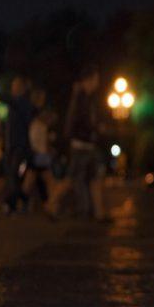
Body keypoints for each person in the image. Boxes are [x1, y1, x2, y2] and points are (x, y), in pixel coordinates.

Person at [64, 67, 104, 219]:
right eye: (95, 79)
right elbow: (78, 120)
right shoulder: (81, 97)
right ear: (88, 80)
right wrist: (95, 128)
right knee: (75, 178)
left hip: (86, 143)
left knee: (89, 177)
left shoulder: (86, 97)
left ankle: (93, 211)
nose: (97, 83)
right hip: (81, 143)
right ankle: (53, 204)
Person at [3, 76, 35, 214]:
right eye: (12, 86)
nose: (13, 89)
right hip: (11, 145)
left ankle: (13, 203)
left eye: (15, 86)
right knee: (13, 175)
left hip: (20, 145)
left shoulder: (23, 103)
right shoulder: (14, 105)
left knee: (14, 174)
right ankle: (20, 201)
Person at [26, 87, 54, 216]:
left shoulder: (36, 115)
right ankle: (50, 205)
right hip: (38, 151)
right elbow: (36, 134)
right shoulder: (35, 115)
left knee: (33, 179)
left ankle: (20, 202)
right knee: (47, 179)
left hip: (38, 151)